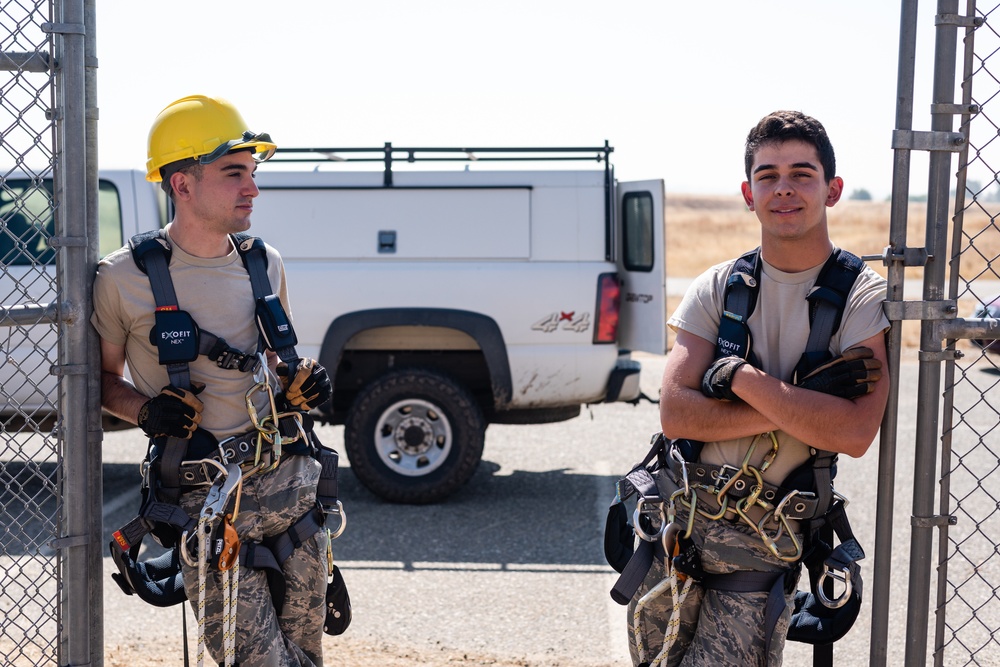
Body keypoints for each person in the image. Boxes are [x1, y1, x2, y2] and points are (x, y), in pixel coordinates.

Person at [627, 110, 890, 666]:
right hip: (678, 523)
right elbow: (676, 414)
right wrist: (802, 398)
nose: (784, 188)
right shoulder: (719, 286)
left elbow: (854, 430)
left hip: (763, 536)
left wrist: (738, 379)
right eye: (768, 176)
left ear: (832, 189)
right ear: (749, 193)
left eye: (802, 173)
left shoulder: (862, 298)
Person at [92, 95, 334, 666]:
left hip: (293, 493)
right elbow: (100, 384)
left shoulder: (262, 261)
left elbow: (275, 362)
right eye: (234, 173)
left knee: (306, 656)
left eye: (253, 173)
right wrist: (147, 412)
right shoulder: (122, 278)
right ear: (182, 184)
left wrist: (300, 379)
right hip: (209, 506)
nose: (252, 188)